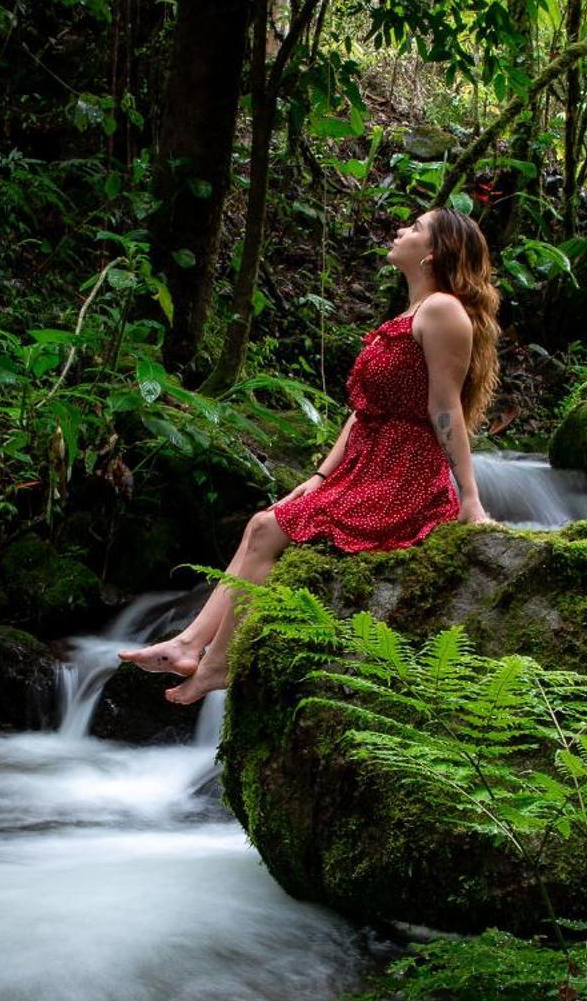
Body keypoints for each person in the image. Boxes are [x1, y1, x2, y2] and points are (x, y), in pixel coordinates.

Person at [120, 207, 499, 706]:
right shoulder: (406, 317)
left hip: (404, 473)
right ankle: (192, 646)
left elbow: (445, 409)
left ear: (433, 253)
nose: (400, 230)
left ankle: (212, 663)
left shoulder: (443, 311)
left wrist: (469, 499)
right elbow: (363, 412)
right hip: (367, 465)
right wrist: (321, 477)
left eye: (415, 228)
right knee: (262, 524)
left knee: (265, 527)